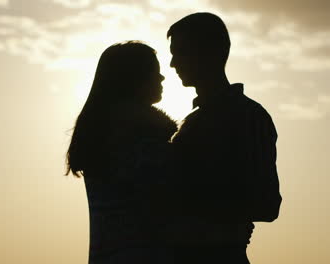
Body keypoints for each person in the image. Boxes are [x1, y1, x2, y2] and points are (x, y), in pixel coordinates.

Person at [65, 41, 253, 264]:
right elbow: (161, 215)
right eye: (155, 72)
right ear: (134, 79)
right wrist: (228, 233)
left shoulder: (104, 135)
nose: (162, 78)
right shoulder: (137, 142)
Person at [165, 12, 282, 263]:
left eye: (181, 52)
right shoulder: (194, 121)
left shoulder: (247, 116)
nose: (173, 63)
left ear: (212, 52)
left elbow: (267, 203)